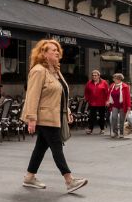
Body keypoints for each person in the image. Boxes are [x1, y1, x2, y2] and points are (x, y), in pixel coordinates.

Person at [20, 39, 87, 193]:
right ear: (43, 53)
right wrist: (31, 118)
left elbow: (61, 94)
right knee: (57, 147)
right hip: (45, 116)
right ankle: (69, 180)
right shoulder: (38, 70)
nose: (57, 52)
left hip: (55, 115)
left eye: (58, 50)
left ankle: (29, 177)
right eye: (52, 50)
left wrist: (67, 111)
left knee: (40, 148)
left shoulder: (55, 71)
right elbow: (32, 96)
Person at [83, 70, 110, 135]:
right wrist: (86, 98)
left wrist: (107, 100)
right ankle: (90, 129)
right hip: (92, 102)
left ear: (98, 76)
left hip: (101, 102)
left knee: (101, 116)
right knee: (91, 116)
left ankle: (102, 129)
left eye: (95, 75)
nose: (94, 77)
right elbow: (86, 92)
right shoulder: (89, 83)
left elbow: (107, 93)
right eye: (93, 75)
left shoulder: (104, 83)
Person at [107, 72, 132, 139]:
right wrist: (108, 101)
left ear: (119, 79)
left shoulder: (125, 86)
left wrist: (129, 106)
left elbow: (128, 97)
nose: (113, 79)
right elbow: (109, 94)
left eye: (114, 78)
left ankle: (121, 133)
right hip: (114, 104)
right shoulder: (112, 86)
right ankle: (115, 132)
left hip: (122, 105)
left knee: (122, 119)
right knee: (114, 118)